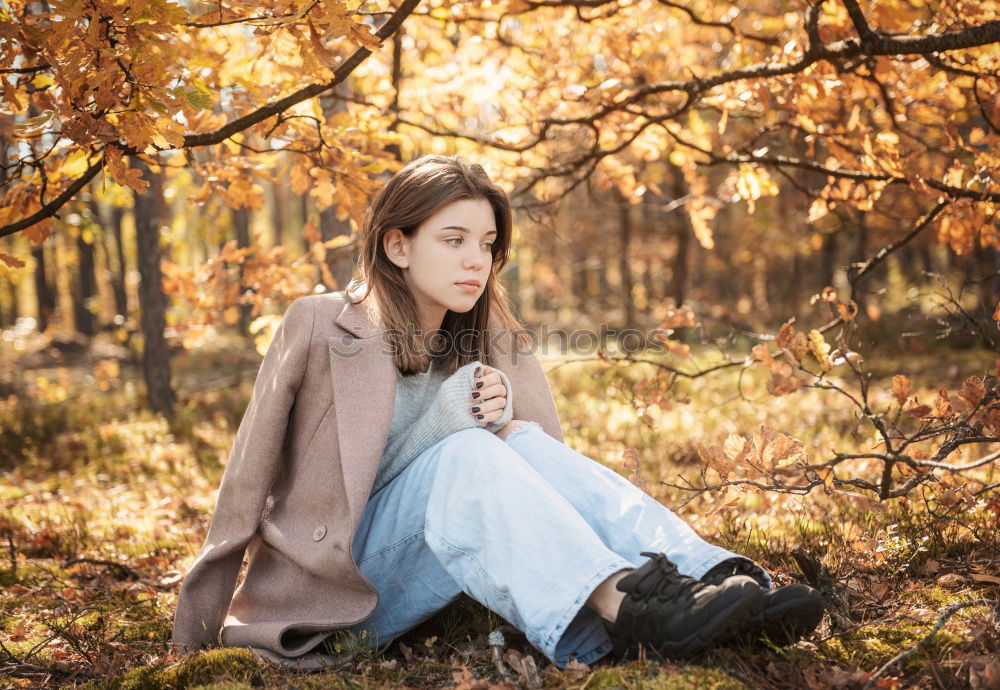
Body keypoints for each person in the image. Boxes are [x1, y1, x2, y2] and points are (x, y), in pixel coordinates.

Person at [170, 155, 824, 670]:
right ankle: (627, 606)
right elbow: (246, 479)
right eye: (453, 240)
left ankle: (709, 578)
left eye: (485, 244)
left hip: (431, 571)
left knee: (520, 441)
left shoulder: (488, 336)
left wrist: (502, 418)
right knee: (470, 449)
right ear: (398, 247)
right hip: (336, 586)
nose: (474, 261)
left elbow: (549, 471)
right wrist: (199, 636)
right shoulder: (319, 324)